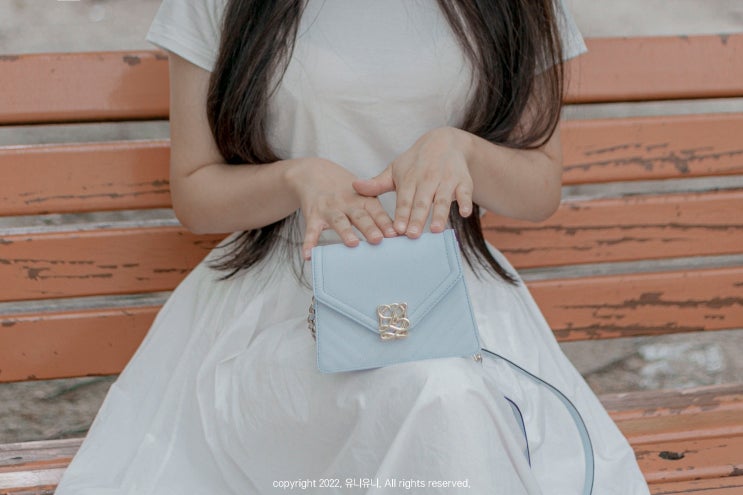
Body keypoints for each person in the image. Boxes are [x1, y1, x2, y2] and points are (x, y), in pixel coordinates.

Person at [55, 1, 651, 493]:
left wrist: (464, 151)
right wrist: (295, 178)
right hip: (280, 309)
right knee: (438, 393)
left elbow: (540, 187)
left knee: (444, 389)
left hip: (458, 299)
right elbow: (195, 193)